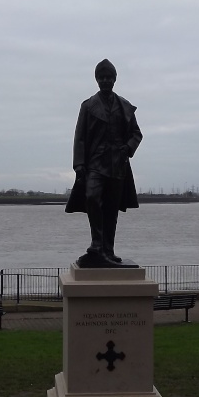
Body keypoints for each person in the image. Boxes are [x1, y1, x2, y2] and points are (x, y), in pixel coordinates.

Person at [65, 59, 142, 267]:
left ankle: (108, 250)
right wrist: (79, 164)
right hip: (95, 164)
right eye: (102, 77)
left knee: (111, 208)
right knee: (91, 197)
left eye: (109, 77)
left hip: (118, 166)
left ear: (114, 79)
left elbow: (136, 134)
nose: (106, 80)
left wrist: (127, 148)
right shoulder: (88, 106)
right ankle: (96, 245)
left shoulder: (124, 106)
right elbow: (79, 137)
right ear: (97, 80)